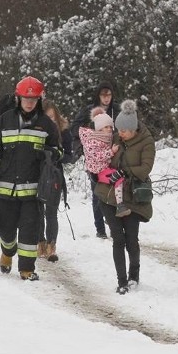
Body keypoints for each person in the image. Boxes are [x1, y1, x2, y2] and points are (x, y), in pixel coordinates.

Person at [0, 76, 62, 281]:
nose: (29, 102)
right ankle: (7, 252)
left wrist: (50, 153)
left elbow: (59, 150)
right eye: (26, 98)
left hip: (33, 192)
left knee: (29, 232)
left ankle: (26, 269)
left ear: (39, 100)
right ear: (19, 98)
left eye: (33, 99)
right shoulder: (4, 121)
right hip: (7, 190)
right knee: (5, 229)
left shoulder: (46, 124)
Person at [93, 99, 154, 294]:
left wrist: (124, 171)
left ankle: (134, 275)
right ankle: (122, 282)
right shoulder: (116, 137)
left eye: (124, 131)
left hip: (133, 197)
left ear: (134, 129)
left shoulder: (146, 142)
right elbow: (98, 153)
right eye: (118, 130)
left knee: (131, 239)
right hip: (109, 195)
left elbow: (145, 169)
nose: (120, 134)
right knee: (118, 239)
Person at [70, 82, 120, 239]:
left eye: (109, 95)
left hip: (114, 156)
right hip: (96, 159)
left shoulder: (116, 110)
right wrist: (91, 138)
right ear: (98, 96)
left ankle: (115, 226)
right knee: (97, 194)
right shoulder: (89, 110)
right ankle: (100, 229)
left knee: (115, 192)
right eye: (103, 95)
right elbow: (74, 128)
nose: (106, 98)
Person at [37, 99, 72, 262]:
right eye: (46, 117)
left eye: (52, 117)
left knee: (51, 211)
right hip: (37, 173)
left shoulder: (64, 131)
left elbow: (70, 156)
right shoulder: (36, 130)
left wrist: (57, 155)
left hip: (55, 175)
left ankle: (52, 245)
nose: (50, 121)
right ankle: (40, 242)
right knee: (37, 210)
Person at [79, 108, 129, 216]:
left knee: (120, 177)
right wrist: (111, 152)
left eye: (111, 127)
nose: (110, 129)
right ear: (99, 128)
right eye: (106, 127)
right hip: (99, 171)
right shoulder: (93, 140)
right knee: (118, 178)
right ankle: (120, 206)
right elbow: (97, 156)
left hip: (104, 168)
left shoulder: (105, 138)